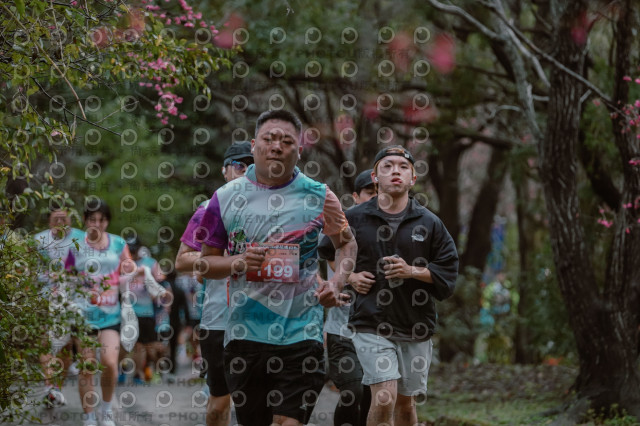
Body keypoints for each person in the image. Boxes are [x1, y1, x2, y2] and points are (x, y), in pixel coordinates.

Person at [198, 110, 357, 426]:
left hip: (302, 331)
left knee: (288, 422)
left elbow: (346, 242)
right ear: (253, 145)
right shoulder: (225, 198)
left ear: (299, 150)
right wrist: (237, 262)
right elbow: (206, 263)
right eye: (269, 139)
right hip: (244, 332)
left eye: (286, 141)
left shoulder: (319, 195)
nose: (276, 147)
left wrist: (336, 282)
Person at [345, 145, 458, 426]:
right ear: (375, 177)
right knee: (385, 397)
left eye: (403, 166)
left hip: (415, 325)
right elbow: (330, 252)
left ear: (413, 179)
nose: (396, 171)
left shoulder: (430, 223)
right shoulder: (354, 217)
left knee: (406, 405)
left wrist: (411, 271)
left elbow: (448, 273)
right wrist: (350, 277)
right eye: (387, 166)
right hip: (370, 321)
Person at [175, 140, 254, 426]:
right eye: (239, 165)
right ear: (225, 170)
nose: (245, 171)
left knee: (256, 400)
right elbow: (181, 261)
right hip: (219, 318)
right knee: (220, 402)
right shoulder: (209, 208)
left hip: (262, 317)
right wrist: (218, 259)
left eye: (251, 166)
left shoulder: (271, 208)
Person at [71, 198, 141, 426]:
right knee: (87, 366)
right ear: (85, 220)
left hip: (110, 314)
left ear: (107, 221)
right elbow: (66, 271)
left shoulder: (118, 243)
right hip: (83, 315)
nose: (97, 224)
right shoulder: (75, 243)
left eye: (101, 220)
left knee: (110, 363)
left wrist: (134, 271)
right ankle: (89, 416)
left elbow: (129, 267)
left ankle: (107, 409)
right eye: (92, 219)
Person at [317, 169, 375, 426]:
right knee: (353, 391)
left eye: (379, 191)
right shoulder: (343, 222)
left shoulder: (396, 223)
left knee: (373, 396)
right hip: (342, 330)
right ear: (356, 196)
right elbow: (327, 253)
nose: (376, 197)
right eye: (369, 192)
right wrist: (350, 277)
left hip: (379, 331)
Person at [34, 203, 84, 408]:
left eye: (65, 218)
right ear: (49, 221)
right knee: (46, 342)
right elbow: (32, 270)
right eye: (57, 219)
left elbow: (87, 269)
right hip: (45, 299)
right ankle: (49, 388)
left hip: (72, 301)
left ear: (71, 220)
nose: (61, 222)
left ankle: (57, 389)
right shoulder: (39, 241)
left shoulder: (81, 239)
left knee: (65, 346)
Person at [123, 238, 167, 383]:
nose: (132, 253)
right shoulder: (124, 262)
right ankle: (137, 374)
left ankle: (154, 369)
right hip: (128, 311)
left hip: (147, 311)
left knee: (149, 346)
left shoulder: (150, 263)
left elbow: (161, 280)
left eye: (134, 249)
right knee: (136, 345)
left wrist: (153, 290)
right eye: (130, 249)